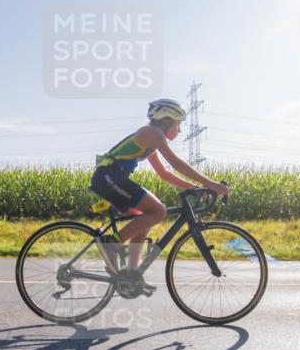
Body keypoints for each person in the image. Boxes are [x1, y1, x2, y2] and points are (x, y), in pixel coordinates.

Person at [90, 98, 230, 288]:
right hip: (109, 178)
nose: (179, 130)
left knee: (146, 218)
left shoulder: (151, 140)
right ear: (166, 121)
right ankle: (112, 245)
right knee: (159, 212)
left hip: (113, 178)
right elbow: (176, 163)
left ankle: (131, 275)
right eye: (178, 125)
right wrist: (211, 184)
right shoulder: (151, 133)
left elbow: (164, 173)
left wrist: (193, 188)